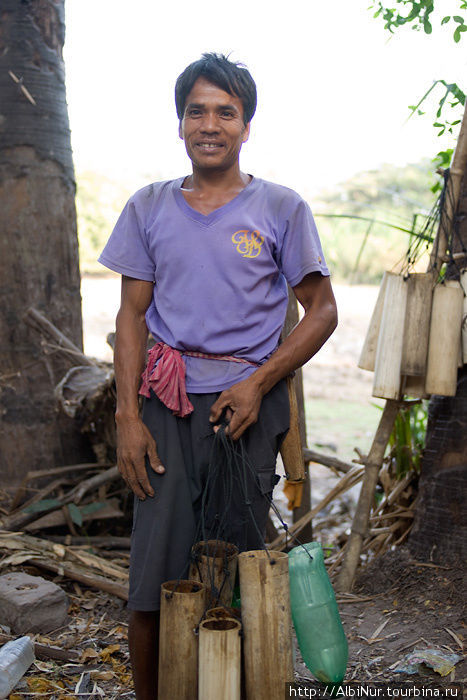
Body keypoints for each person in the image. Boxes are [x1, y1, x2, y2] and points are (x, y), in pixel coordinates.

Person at [99, 52, 337, 700]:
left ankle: (231, 688)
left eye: (224, 112)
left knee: (236, 568)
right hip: (165, 409)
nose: (210, 124)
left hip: (246, 410)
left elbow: (321, 311)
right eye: (196, 111)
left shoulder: (281, 207)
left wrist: (260, 384)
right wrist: (126, 418)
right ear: (180, 124)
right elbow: (131, 314)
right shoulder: (148, 206)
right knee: (154, 575)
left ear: (245, 125)